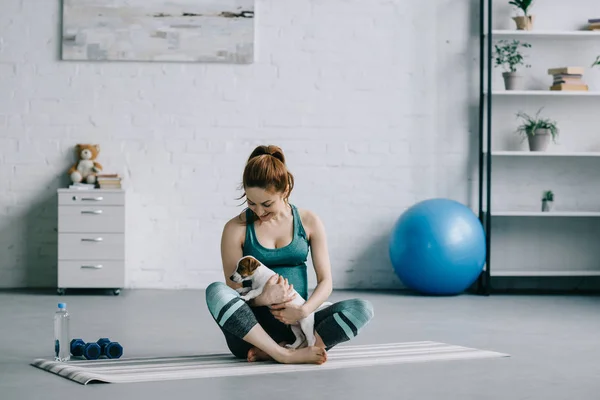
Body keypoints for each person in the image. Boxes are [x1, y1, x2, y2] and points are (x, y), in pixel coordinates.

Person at [205, 145, 374, 365]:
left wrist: (303, 311)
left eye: (267, 204)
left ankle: (295, 347)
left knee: (362, 309)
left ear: (285, 190)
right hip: (251, 333)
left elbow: (326, 282)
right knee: (215, 292)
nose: (259, 212)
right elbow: (234, 291)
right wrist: (265, 298)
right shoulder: (235, 228)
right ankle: (282, 353)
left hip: (300, 322)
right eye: (251, 203)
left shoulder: (309, 222)